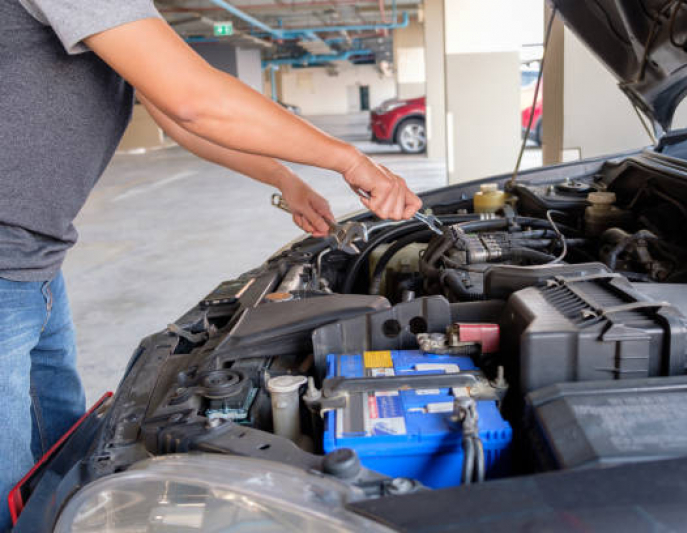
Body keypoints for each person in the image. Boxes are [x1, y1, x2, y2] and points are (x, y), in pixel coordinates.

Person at [0, 1, 422, 529]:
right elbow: (193, 100)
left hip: (30, 264)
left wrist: (285, 180)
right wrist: (351, 161)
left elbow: (178, 117)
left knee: (58, 460)